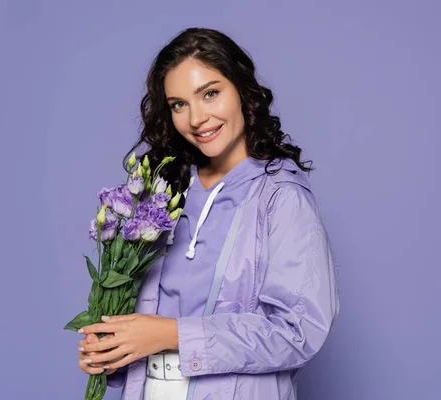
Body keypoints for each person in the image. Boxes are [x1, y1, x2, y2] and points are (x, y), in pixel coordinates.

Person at [76, 27, 339, 400]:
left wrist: (171, 334)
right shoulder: (164, 194)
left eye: (210, 93)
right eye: (179, 104)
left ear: (242, 91)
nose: (196, 118)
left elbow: (297, 330)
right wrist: (112, 351)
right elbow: (145, 317)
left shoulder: (281, 197)